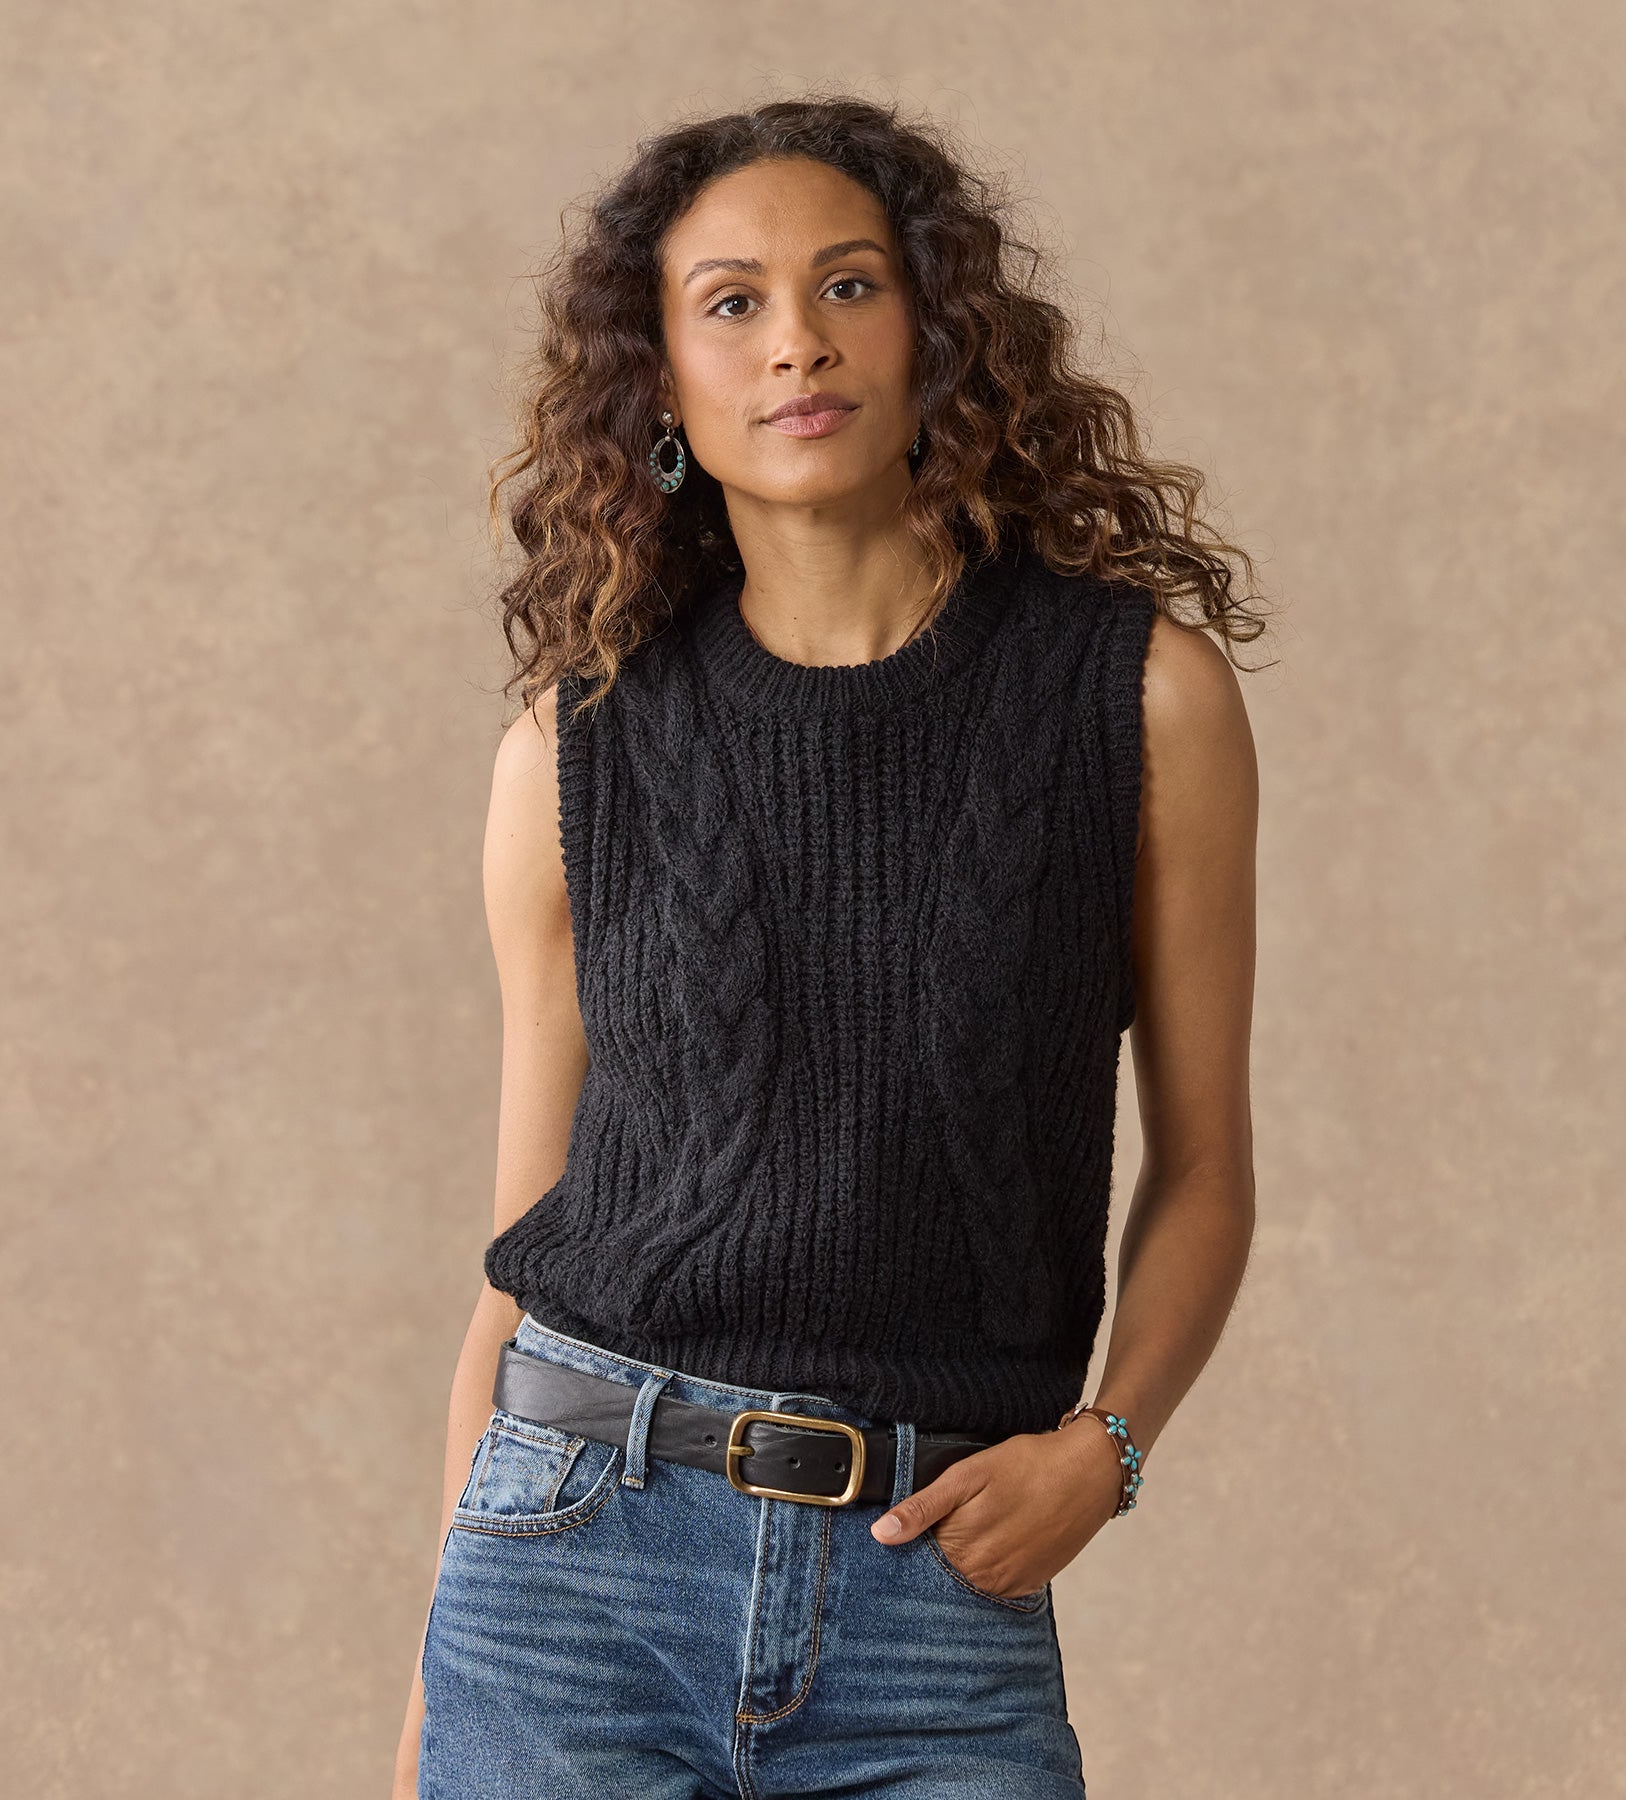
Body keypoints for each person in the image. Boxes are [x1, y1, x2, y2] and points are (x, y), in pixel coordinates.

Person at [395, 93, 1264, 1799]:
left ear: (936, 329)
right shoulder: (571, 748)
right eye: (731, 303)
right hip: (570, 1571)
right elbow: (526, 1249)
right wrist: (440, 1664)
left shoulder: (1139, 698)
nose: (797, 341)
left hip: (929, 1588)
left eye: (849, 285)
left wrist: (1108, 1448)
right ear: (659, 381)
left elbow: (1209, 1172)